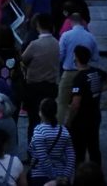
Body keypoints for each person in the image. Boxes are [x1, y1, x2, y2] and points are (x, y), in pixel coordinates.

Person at [66, 45, 107, 166]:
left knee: (79, 151)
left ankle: (80, 176)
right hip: (95, 116)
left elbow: (75, 104)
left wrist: (69, 121)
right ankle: (96, 175)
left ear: (76, 58)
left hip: (81, 120)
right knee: (94, 147)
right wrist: (98, 90)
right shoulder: (96, 72)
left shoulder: (79, 79)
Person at [21, 14, 60, 143]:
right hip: (51, 86)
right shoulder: (56, 43)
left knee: (33, 120)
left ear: (38, 26)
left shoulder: (35, 44)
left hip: (34, 87)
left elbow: (23, 60)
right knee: (49, 119)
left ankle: (33, 152)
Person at [57, 14, 99, 124]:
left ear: (70, 22)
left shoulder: (66, 35)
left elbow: (60, 56)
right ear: (82, 21)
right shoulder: (90, 37)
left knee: (62, 103)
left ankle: (60, 128)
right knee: (83, 102)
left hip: (68, 73)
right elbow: (95, 57)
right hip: (85, 73)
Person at [27, 98, 75, 186]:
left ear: (40, 113)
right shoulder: (64, 130)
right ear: (56, 112)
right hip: (62, 176)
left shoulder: (38, 130)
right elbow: (71, 156)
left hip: (40, 175)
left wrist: (55, 177)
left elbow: (42, 157)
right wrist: (65, 176)